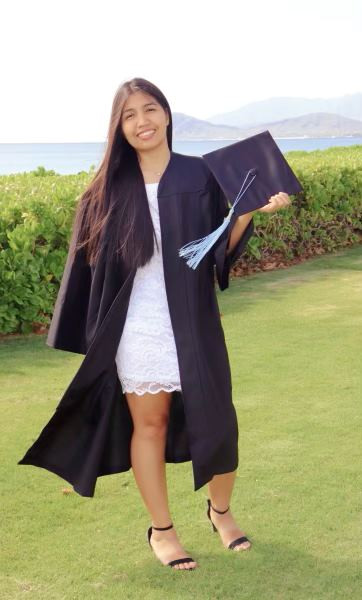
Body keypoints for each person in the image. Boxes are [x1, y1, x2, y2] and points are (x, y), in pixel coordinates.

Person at [18, 77, 291, 571]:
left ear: (166, 114)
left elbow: (215, 256)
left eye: (149, 109)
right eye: (129, 115)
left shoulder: (201, 175)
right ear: (119, 128)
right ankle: (162, 530)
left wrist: (247, 215)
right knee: (151, 424)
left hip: (192, 317)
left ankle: (221, 512)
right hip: (137, 325)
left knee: (220, 420)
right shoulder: (106, 190)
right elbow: (88, 267)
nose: (141, 121)